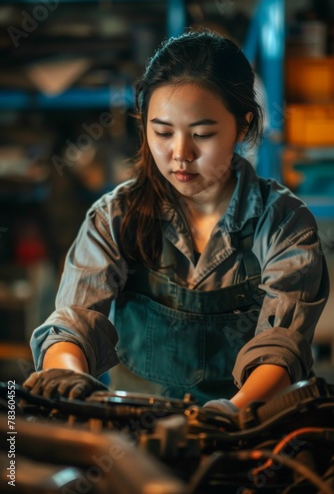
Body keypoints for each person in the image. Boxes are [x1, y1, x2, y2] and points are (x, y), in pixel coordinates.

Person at [24, 31, 329, 414]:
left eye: (202, 134)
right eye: (162, 132)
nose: (180, 154)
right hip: (133, 440)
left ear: (243, 125)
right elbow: (75, 321)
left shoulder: (284, 222)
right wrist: (66, 376)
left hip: (247, 436)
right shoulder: (114, 218)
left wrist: (230, 417)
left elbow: (282, 344)